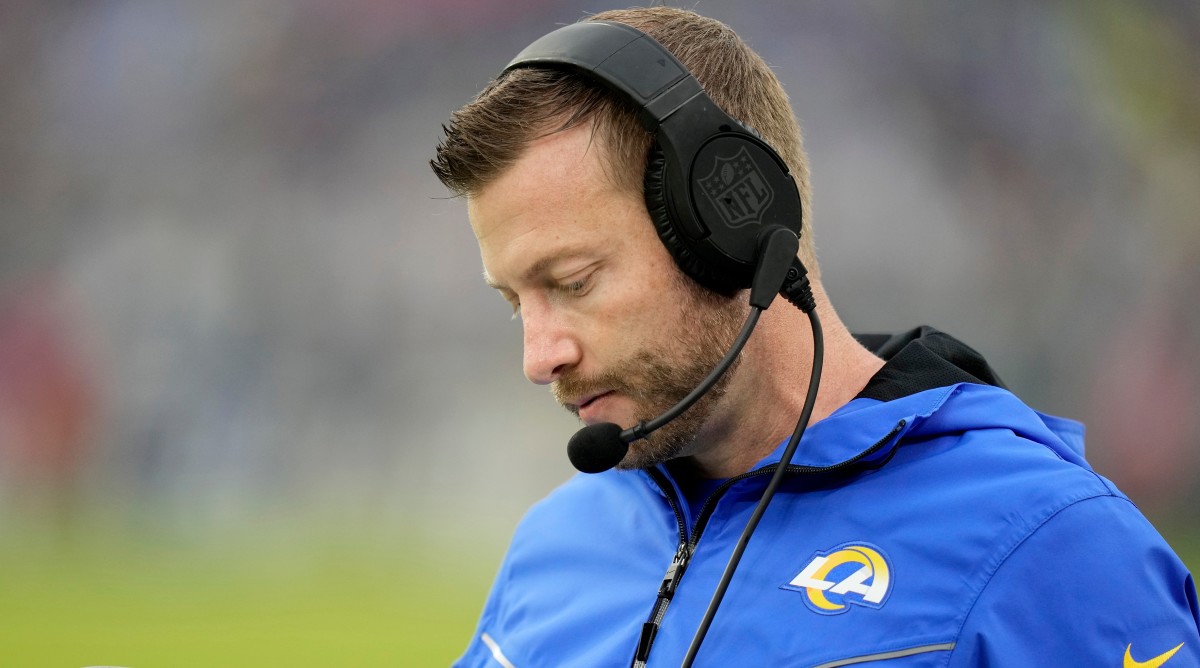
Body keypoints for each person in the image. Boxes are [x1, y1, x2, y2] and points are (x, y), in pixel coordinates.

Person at [431, 7, 1200, 667]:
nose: (540, 358)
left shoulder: (1050, 547)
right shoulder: (555, 542)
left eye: (573, 281)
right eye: (514, 302)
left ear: (727, 226)